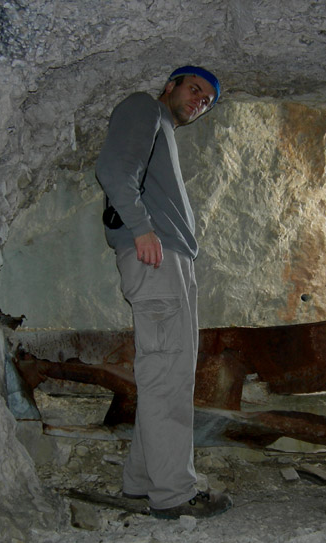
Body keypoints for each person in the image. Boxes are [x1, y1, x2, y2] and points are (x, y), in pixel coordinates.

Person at [95, 66, 232, 519]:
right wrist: (142, 229)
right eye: (195, 90)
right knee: (167, 375)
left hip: (172, 261)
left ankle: (141, 482)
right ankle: (174, 493)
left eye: (207, 101)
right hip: (156, 257)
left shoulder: (164, 130)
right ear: (170, 85)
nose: (200, 102)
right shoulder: (144, 108)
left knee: (166, 374)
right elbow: (114, 169)